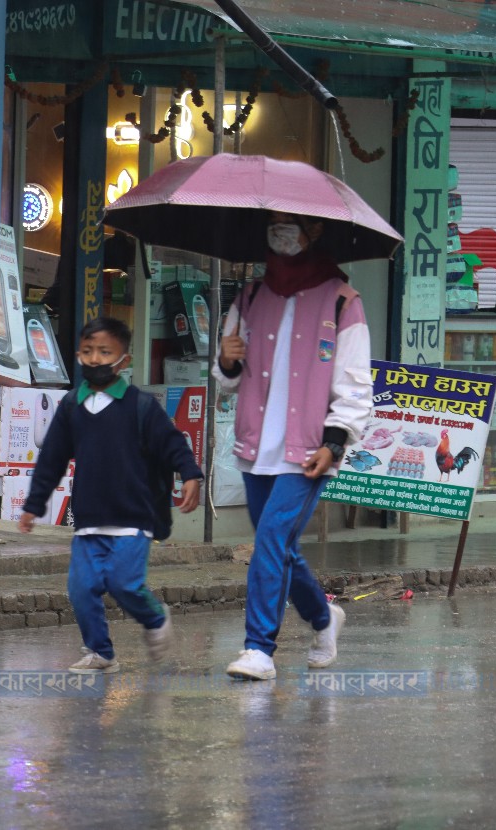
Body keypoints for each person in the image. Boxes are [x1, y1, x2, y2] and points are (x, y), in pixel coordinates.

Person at [215, 210, 373, 681]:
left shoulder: (343, 301)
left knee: (268, 540)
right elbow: (225, 382)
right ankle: (324, 617)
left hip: (307, 450)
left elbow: (354, 385)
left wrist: (335, 442)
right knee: (279, 545)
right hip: (255, 445)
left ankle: (258, 648)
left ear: (316, 231)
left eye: (291, 222)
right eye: (274, 222)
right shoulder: (249, 295)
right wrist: (225, 361)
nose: (280, 231)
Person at [19, 317, 203, 674]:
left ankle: (154, 618)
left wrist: (191, 473)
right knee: (82, 589)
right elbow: (51, 459)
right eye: (88, 351)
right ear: (77, 355)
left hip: (134, 518)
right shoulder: (72, 406)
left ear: (124, 360)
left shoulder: (141, 406)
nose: (96, 359)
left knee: (123, 584)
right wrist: (33, 505)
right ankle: (100, 652)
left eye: (106, 352)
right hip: (88, 521)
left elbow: (172, 443)